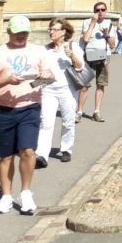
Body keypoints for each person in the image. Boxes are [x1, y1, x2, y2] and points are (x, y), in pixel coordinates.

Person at [0, 15, 52, 215]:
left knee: (28, 151)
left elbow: (48, 77)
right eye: (17, 33)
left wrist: (43, 78)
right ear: (9, 32)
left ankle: (26, 193)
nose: (21, 36)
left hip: (30, 107)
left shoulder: (38, 51)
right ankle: (5, 197)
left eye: (24, 33)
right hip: (4, 109)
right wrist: (5, 80)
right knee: (5, 156)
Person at [35, 18, 83, 167]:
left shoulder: (72, 46)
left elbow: (80, 67)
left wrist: (72, 57)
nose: (51, 32)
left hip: (67, 89)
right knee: (46, 122)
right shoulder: (44, 50)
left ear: (63, 32)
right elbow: (39, 70)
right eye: (50, 29)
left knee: (68, 121)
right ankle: (42, 154)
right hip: (48, 89)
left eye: (54, 29)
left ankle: (66, 149)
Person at [77, 2, 116, 123]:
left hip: (103, 57)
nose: (100, 12)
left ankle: (96, 111)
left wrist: (106, 35)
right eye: (97, 10)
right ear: (94, 11)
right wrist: (93, 23)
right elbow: (86, 39)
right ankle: (79, 111)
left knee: (100, 84)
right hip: (88, 57)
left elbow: (113, 45)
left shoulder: (110, 25)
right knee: (84, 86)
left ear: (106, 11)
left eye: (102, 10)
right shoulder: (87, 22)